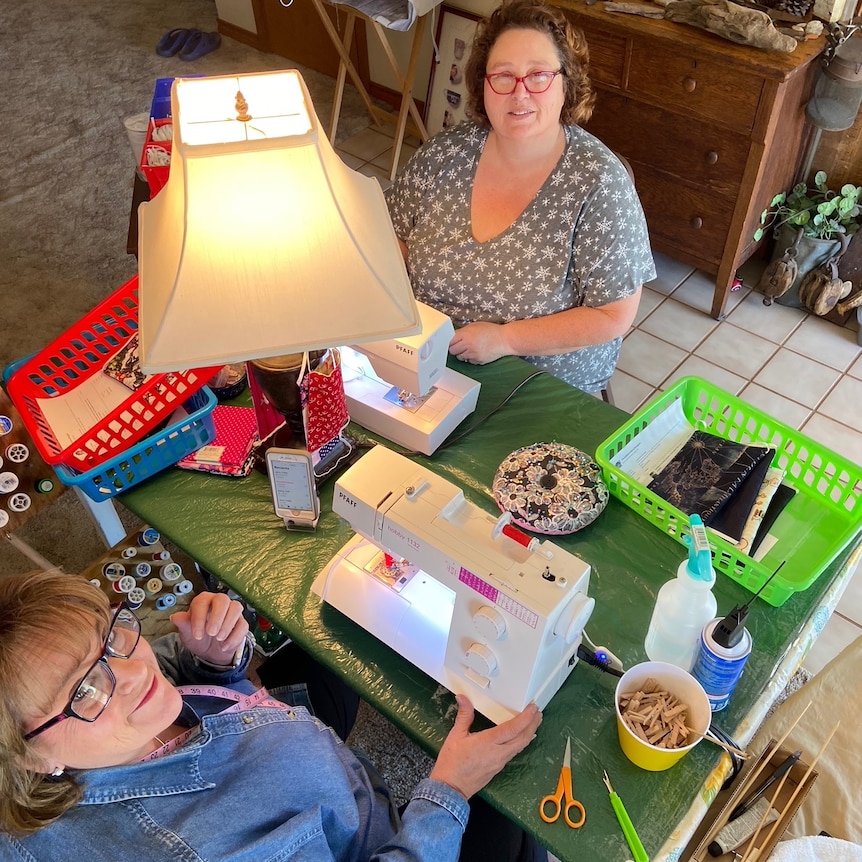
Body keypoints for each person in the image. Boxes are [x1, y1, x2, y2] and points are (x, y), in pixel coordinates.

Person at [0, 570, 544, 861]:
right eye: (87, 687)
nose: (138, 672)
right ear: (27, 757)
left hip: (283, 738)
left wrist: (211, 662)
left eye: (111, 637)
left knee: (328, 631)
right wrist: (446, 790)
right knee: (510, 812)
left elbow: (157, 662)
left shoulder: (98, 727)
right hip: (370, 838)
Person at [386, 0, 656, 394]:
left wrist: (505, 339)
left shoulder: (600, 185)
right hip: (428, 355)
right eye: (504, 76)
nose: (520, 93)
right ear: (484, 84)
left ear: (567, 84)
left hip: (538, 380)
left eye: (539, 76)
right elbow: (393, 236)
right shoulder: (444, 154)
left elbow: (613, 315)